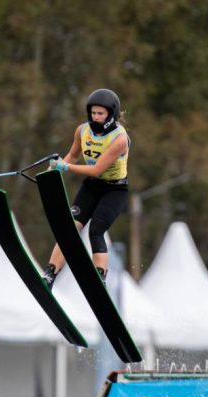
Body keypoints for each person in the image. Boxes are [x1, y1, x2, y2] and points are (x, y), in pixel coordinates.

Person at [43, 88, 130, 288]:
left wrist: (65, 166)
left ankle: (99, 277)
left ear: (111, 114)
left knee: (96, 230)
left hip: (114, 190)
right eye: (93, 113)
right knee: (70, 229)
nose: (96, 117)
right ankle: (49, 274)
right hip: (91, 188)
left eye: (101, 113)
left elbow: (97, 170)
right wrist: (56, 169)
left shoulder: (119, 139)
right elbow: (73, 155)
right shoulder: (82, 131)